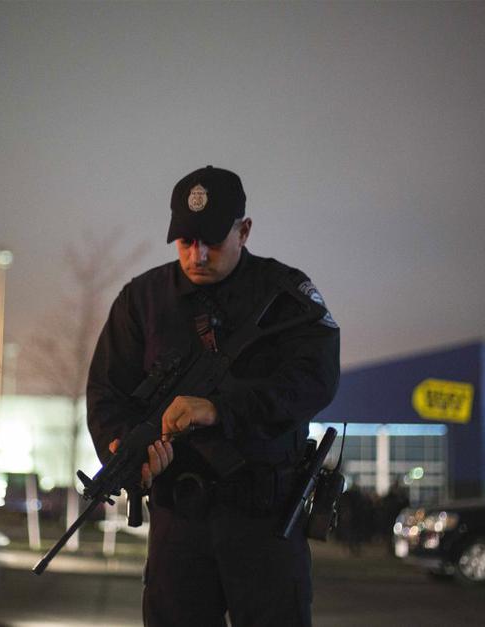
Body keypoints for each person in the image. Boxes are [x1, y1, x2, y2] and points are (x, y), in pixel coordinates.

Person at [86, 165, 340, 627]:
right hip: (178, 521)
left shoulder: (286, 293)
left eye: (212, 241)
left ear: (244, 231)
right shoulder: (142, 300)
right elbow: (107, 394)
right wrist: (125, 450)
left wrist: (220, 409)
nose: (197, 254)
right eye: (185, 241)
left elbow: (315, 379)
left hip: (265, 519)